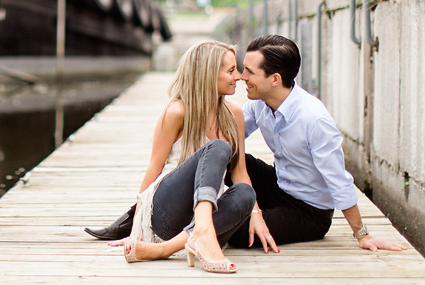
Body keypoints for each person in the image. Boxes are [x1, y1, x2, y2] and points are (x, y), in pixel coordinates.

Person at [87, 41, 257, 273]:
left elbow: (241, 174)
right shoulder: (177, 112)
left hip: (202, 218)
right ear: (207, 75)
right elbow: (154, 168)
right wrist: (136, 229)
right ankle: (200, 232)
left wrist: (256, 215)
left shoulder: (234, 115)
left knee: (246, 193)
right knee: (217, 147)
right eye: (230, 71)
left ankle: (169, 248)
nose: (238, 76)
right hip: (167, 213)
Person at [229, 34, 406, 253]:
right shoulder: (260, 104)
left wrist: (362, 234)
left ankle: (238, 214)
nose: (241, 77)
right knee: (225, 155)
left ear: (274, 79)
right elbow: (229, 135)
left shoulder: (314, 119)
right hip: (279, 185)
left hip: (308, 211)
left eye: (249, 72)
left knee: (238, 233)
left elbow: (338, 180)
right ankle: (203, 210)